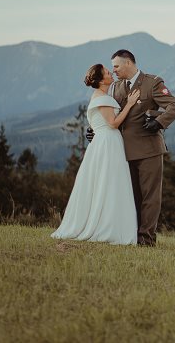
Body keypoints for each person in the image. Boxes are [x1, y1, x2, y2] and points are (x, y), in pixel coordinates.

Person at [97, 49, 175, 247]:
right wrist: (97, 130)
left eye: (116, 66)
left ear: (128, 63)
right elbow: (112, 116)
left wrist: (159, 122)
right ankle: (131, 237)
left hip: (149, 150)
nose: (114, 70)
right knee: (131, 197)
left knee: (150, 198)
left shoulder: (152, 83)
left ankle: (146, 239)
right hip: (123, 152)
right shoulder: (116, 87)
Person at [52, 64, 140, 245]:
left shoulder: (102, 96)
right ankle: (107, 227)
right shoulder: (102, 98)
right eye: (107, 72)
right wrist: (130, 105)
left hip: (106, 142)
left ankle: (110, 224)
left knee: (107, 183)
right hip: (108, 143)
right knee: (109, 183)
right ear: (101, 80)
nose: (111, 73)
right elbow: (113, 123)